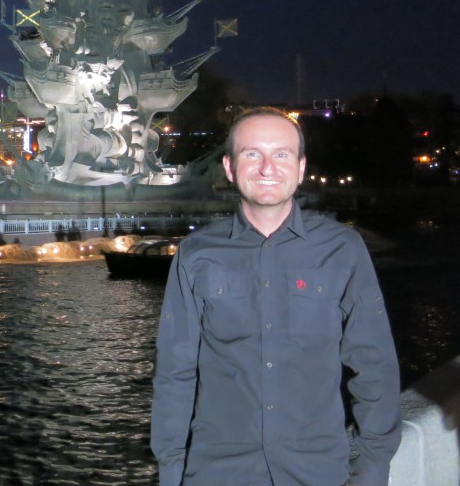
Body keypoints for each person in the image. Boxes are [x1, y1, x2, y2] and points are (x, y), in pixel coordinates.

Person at [151, 107, 401, 486]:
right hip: (217, 472)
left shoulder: (343, 249)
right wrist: (171, 472)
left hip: (316, 473)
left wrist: (372, 468)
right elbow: (174, 373)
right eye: (252, 153)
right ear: (230, 168)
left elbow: (374, 366)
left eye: (281, 154)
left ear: (300, 168)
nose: (267, 167)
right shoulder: (195, 254)